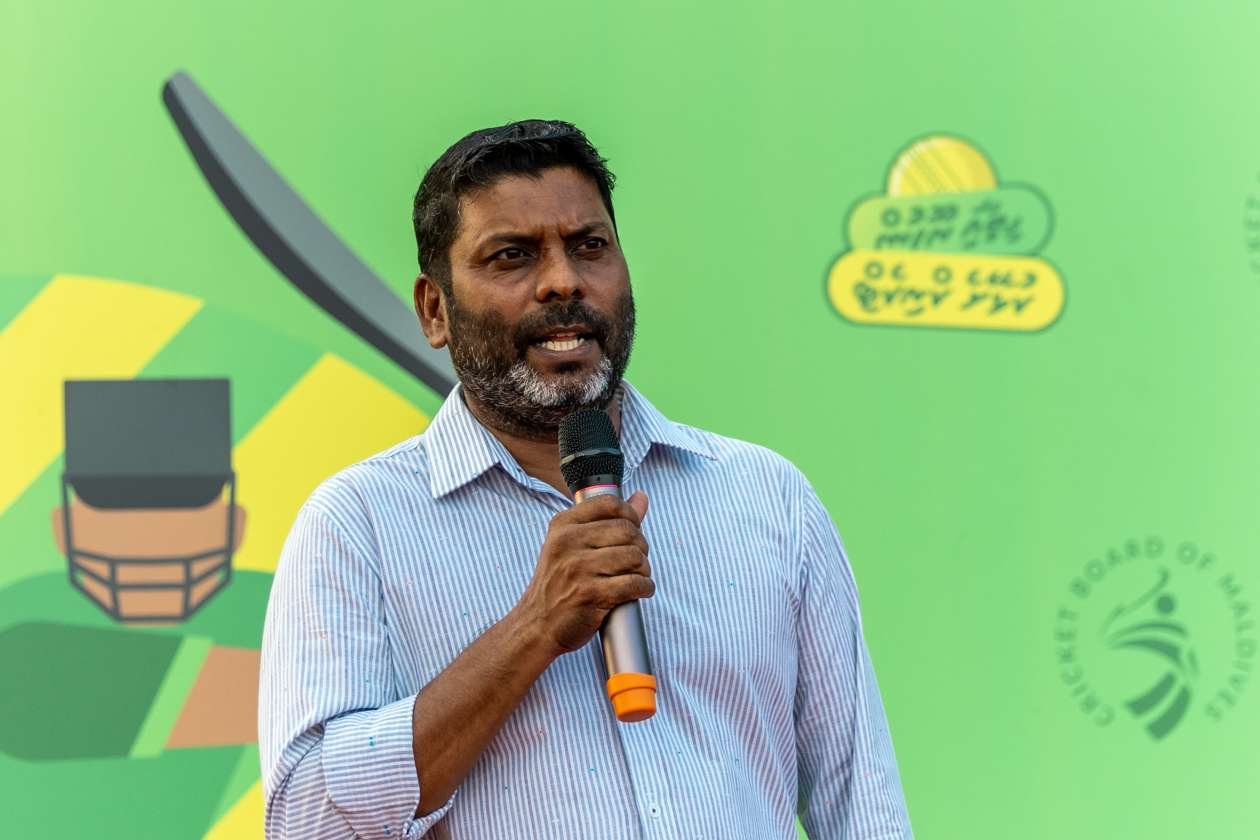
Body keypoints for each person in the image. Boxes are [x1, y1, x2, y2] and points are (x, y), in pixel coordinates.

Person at [259, 120, 913, 839]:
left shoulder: (766, 498)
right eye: (511, 256)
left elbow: (861, 801)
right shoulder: (358, 525)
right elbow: (306, 821)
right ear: (434, 310)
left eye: (589, 246)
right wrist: (535, 627)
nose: (563, 280)